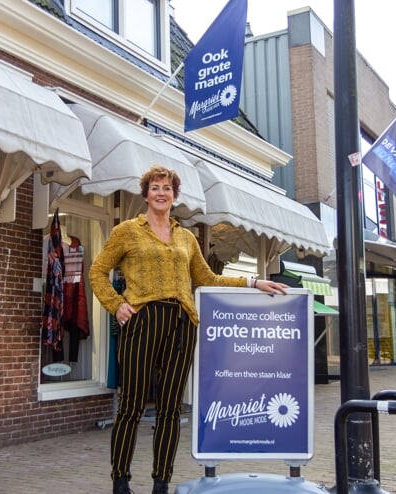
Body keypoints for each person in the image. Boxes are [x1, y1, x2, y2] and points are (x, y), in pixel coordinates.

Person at [89, 165, 289, 494]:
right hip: (144, 320)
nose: (161, 193)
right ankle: (120, 480)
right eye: (155, 187)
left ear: (174, 195)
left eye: (167, 188)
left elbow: (208, 279)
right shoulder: (127, 231)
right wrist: (116, 304)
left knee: (170, 407)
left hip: (182, 323)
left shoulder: (186, 237)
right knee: (132, 404)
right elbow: (97, 271)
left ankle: (161, 482)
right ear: (146, 194)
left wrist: (253, 281)